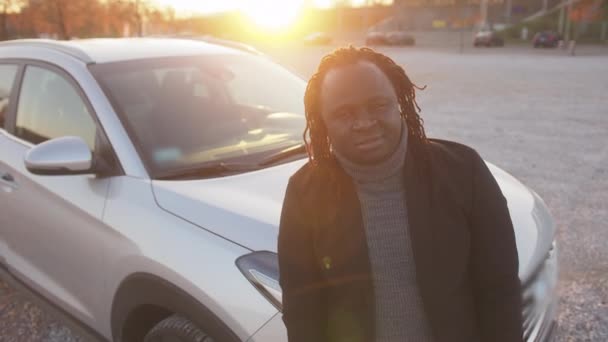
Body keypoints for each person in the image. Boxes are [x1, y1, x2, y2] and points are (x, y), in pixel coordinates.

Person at [277, 46, 523, 342]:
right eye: (344, 113)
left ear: (399, 103)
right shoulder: (305, 192)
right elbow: (302, 307)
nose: (365, 123)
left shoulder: (463, 172)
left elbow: (499, 289)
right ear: (323, 121)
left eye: (378, 105)